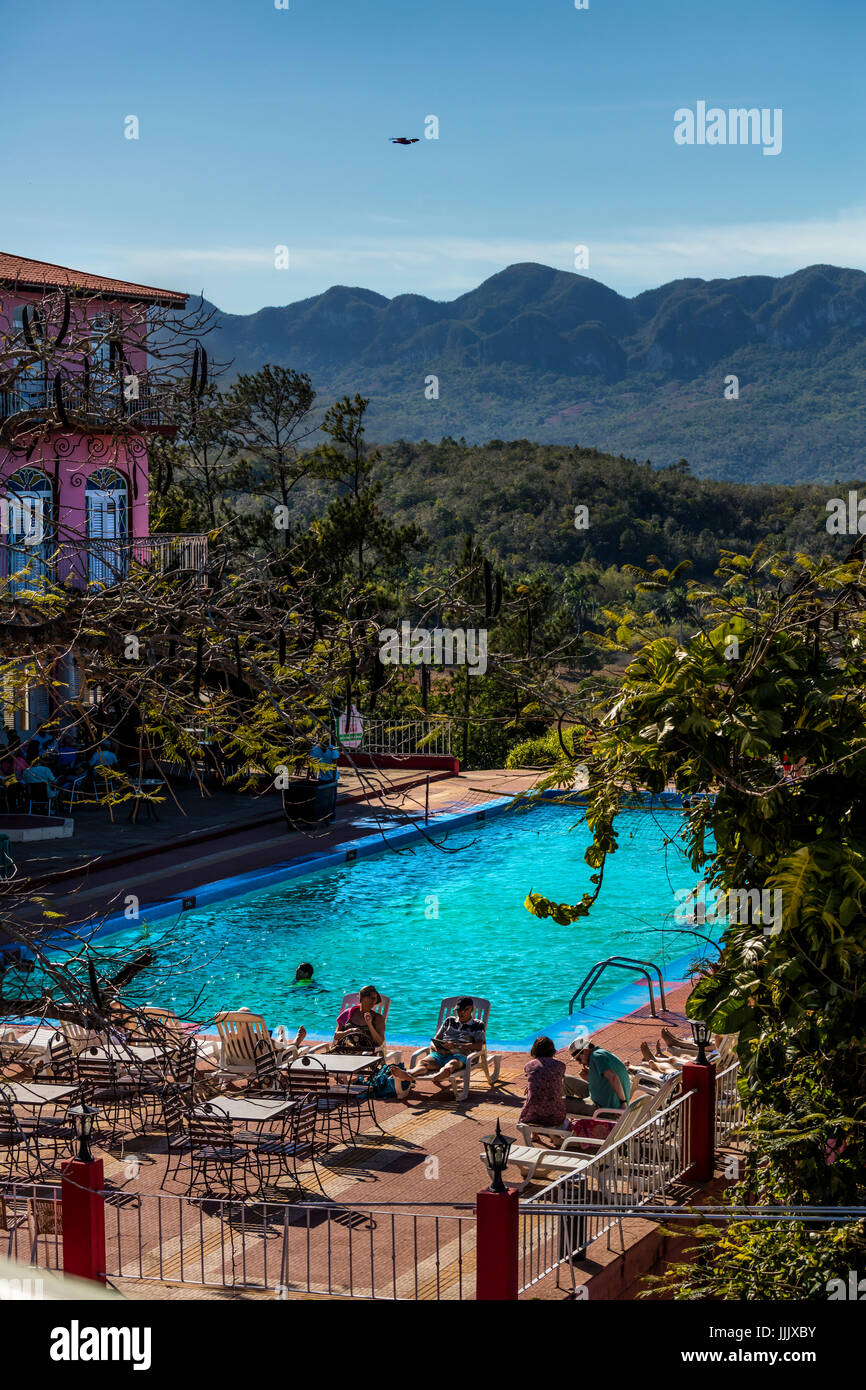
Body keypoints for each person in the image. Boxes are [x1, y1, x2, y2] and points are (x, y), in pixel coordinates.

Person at [329, 985, 412, 1099]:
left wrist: (369, 1024)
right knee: (322, 1061)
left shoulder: (377, 1018)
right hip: (345, 1051)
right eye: (371, 998)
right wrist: (349, 1031)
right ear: (362, 998)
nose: (373, 1002)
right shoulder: (347, 1014)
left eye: (375, 999)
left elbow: (380, 1041)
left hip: (367, 1053)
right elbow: (336, 1035)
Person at [403, 996, 486, 1090]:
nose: (461, 1013)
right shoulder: (449, 1021)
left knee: (452, 1064)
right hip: (440, 1054)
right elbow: (435, 1040)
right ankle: (409, 1074)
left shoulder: (478, 1024)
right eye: (459, 1010)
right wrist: (438, 1048)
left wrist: (456, 1046)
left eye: (465, 1010)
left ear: (472, 1009)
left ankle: (440, 1074)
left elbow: (479, 1045)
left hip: (459, 1055)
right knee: (423, 1062)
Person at [563, 1038, 631, 1116]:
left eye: (579, 1059)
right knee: (566, 1080)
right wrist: (590, 1077)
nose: (579, 1063)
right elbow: (607, 1081)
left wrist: (623, 1103)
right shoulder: (602, 1053)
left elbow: (613, 1077)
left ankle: (562, 1122)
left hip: (603, 1108)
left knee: (560, 1103)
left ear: (584, 1051)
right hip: (604, 1099)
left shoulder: (596, 1056)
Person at [518, 1036, 566, 1128]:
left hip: (531, 1116)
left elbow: (537, 1079)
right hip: (555, 1115)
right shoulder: (561, 1065)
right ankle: (553, 1135)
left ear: (534, 1050)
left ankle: (534, 1134)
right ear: (552, 1050)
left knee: (533, 1094)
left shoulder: (529, 1066)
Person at [309, 730, 339, 822]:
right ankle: (323, 815)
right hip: (321, 777)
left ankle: (332, 816)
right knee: (322, 798)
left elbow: (334, 765)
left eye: (327, 741)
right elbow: (312, 763)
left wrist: (333, 780)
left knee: (332, 798)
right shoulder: (315, 750)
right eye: (324, 741)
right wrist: (312, 775)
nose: (326, 743)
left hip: (331, 777)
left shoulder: (332, 749)